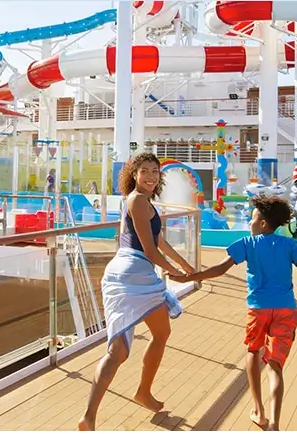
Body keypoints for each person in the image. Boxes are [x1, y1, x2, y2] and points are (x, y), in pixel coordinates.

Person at [171, 195, 297, 431]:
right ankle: (275, 424)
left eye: (253, 218)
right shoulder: (289, 245)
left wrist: (188, 278)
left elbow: (219, 269)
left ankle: (259, 411)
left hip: (258, 310)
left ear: (263, 224)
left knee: (252, 352)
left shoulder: (247, 243)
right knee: (275, 366)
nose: (249, 221)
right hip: (286, 310)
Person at [78, 152, 195, 431]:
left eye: (155, 171)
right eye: (145, 171)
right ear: (133, 174)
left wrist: (187, 265)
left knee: (119, 351)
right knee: (160, 334)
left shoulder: (141, 202)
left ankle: (89, 416)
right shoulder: (138, 201)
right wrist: (177, 273)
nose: (151, 176)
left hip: (124, 272)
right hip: (134, 273)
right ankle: (142, 391)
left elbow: (159, 242)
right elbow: (151, 251)